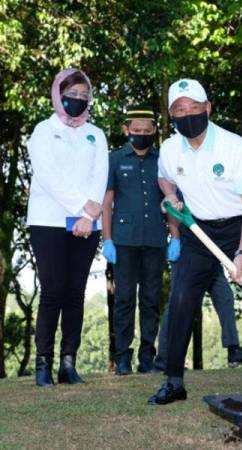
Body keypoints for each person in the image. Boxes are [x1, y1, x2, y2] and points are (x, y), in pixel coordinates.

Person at [148, 78, 242, 404]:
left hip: (241, 227)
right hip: (199, 233)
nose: (188, 114)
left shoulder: (234, 147)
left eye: (194, 108)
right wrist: (171, 197)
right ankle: (174, 382)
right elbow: (164, 180)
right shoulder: (168, 149)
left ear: (208, 108)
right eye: (180, 110)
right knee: (181, 300)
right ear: (171, 115)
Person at [27, 68, 108, 386]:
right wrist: (80, 208)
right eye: (71, 95)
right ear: (57, 94)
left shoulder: (96, 134)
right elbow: (47, 176)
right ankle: (42, 364)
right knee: (52, 291)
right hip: (48, 220)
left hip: (88, 223)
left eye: (83, 97)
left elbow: (100, 175)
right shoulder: (42, 131)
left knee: (75, 292)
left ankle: (68, 364)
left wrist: (89, 215)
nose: (77, 101)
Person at [101, 104, 180, 375]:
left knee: (150, 299)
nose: (141, 135)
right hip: (123, 241)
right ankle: (122, 357)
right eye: (136, 130)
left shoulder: (162, 161)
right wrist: (107, 239)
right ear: (127, 130)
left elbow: (170, 203)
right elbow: (107, 201)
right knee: (123, 299)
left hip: (155, 240)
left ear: (154, 131)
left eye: (147, 131)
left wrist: (175, 237)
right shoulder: (114, 159)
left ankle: (148, 357)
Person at [154, 268, 242, 372]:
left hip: (212, 262)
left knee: (225, 297)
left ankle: (233, 349)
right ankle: (163, 361)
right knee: (178, 305)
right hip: (186, 260)